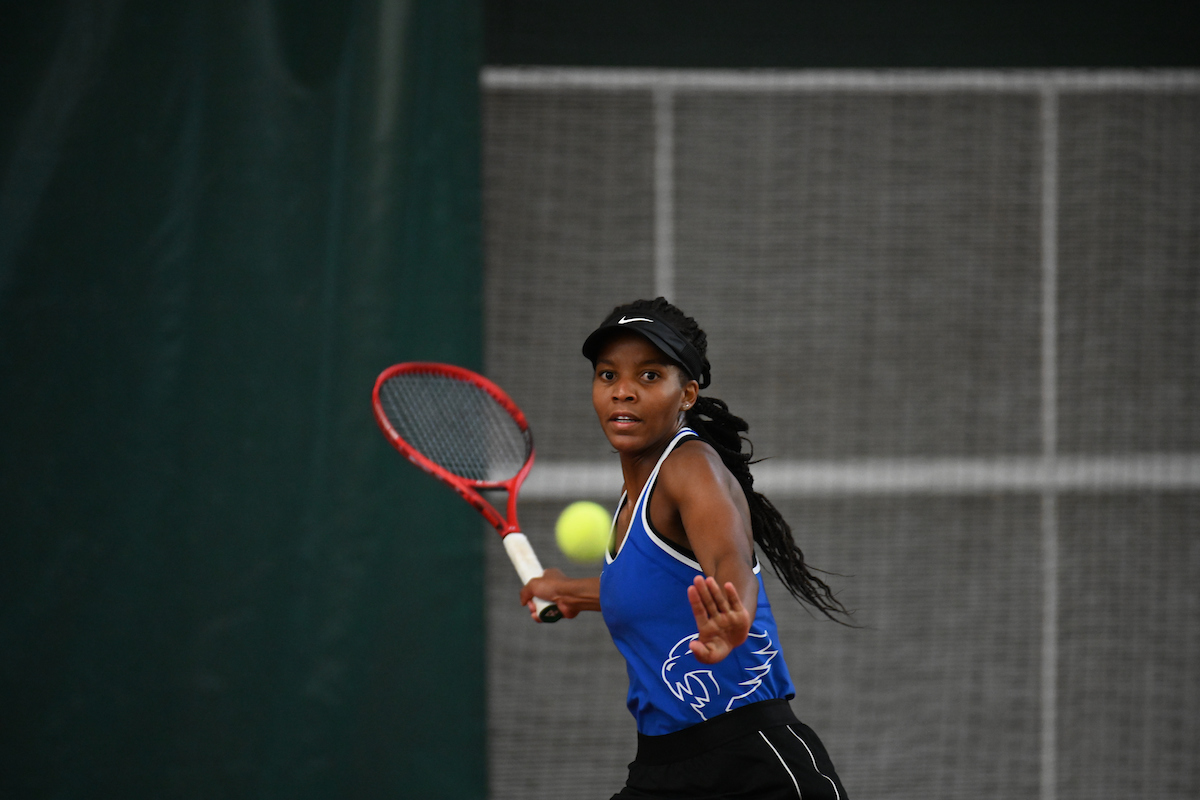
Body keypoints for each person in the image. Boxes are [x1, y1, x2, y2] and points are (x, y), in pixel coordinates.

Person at [520, 297, 852, 799]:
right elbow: (654, 590)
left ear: (687, 394)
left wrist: (735, 611)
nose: (624, 391)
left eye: (649, 376)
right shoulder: (633, 506)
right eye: (608, 376)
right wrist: (571, 591)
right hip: (663, 769)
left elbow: (729, 560)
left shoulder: (690, 465)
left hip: (752, 765)